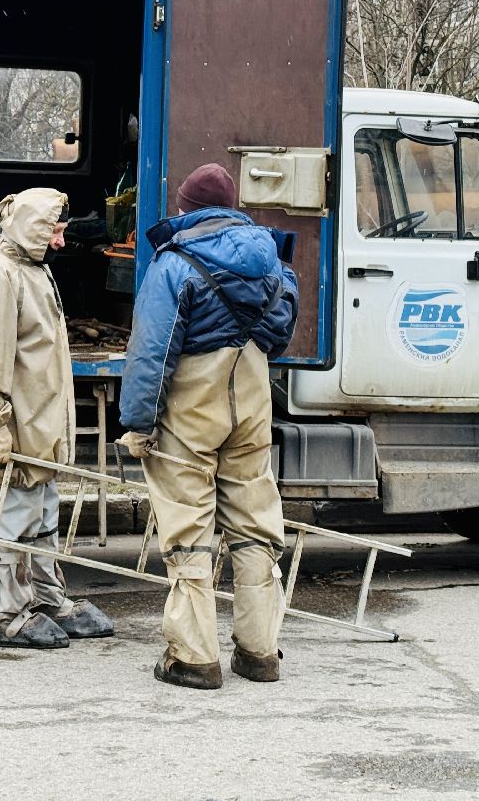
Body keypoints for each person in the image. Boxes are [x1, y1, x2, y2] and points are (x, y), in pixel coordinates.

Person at [118, 162, 299, 689]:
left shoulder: (174, 263)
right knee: (256, 523)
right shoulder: (275, 262)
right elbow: (280, 336)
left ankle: (195, 657)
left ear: (187, 208)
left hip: (192, 410)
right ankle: (260, 651)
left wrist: (137, 422)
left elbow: (152, 351)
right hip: (251, 400)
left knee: (189, 527)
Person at [0, 187, 115, 648]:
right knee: (13, 522)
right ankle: (4, 615)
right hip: (15, 430)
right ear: (32, 228)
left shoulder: (28, 269)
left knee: (41, 518)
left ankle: (44, 599)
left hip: (34, 428)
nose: (62, 241)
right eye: (56, 231)